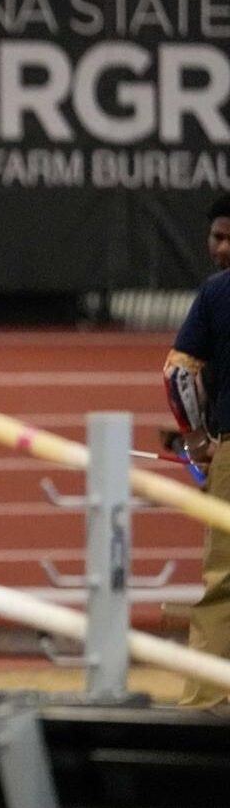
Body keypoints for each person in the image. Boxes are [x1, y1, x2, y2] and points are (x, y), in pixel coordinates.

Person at [162, 193, 230, 716]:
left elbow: (178, 372)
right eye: (216, 237)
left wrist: (196, 440)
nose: (221, 248)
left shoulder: (216, 294)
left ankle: (205, 700)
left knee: (223, 581)